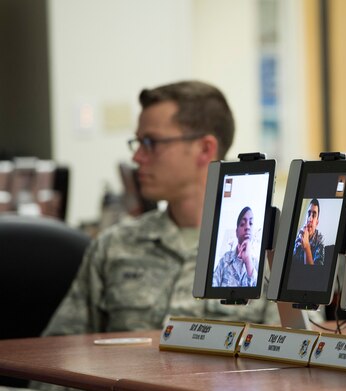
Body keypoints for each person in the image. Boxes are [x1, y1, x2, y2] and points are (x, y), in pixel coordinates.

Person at [40, 81, 279, 338]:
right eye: (138, 143)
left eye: (151, 142)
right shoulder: (114, 246)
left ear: (204, 149)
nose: (137, 157)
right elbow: (59, 355)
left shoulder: (270, 256)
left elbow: (293, 361)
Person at [213, 206, 258, 287]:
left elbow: (261, 296)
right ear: (236, 232)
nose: (247, 227)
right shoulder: (225, 260)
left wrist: (248, 261)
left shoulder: (256, 263)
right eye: (242, 224)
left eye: (250, 223)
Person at [293, 198, 325, 265]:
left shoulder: (320, 240)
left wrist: (306, 246)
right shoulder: (300, 234)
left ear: (317, 223)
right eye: (309, 213)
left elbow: (314, 273)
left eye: (314, 215)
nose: (310, 219)